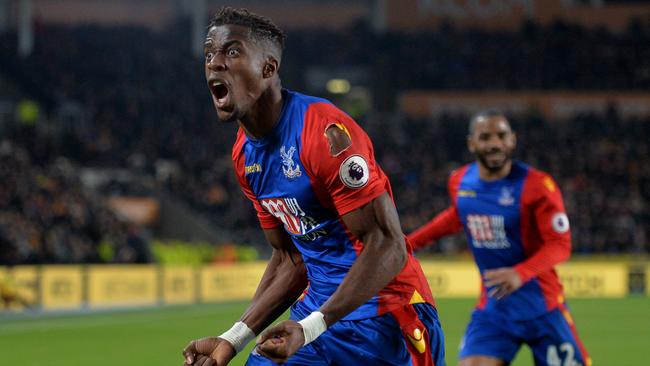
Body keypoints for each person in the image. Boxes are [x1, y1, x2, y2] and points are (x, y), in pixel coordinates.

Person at [181, 7, 445, 366]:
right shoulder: (245, 156)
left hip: (387, 315)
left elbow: (388, 245)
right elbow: (290, 258)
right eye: (210, 53)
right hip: (315, 318)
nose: (214, 63)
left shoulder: (324, 132)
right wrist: (233, 338)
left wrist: (311, 327)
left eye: (232, 51)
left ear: (268, 68)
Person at [408, 111, 590, 366]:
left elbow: (560, 245)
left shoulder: (537, 185)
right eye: (485, 137)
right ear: (472, 143)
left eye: (501, 136)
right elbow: (459, 215)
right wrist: (408, 244)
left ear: (512, 140)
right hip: (495, 310)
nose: (494, 143)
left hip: (543, 308)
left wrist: (520, 273)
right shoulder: (460, 181)